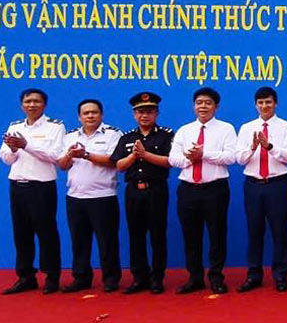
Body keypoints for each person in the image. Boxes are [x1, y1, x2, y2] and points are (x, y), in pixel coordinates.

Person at [169, 87, 238, 294]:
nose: (203, 106)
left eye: (208, 103)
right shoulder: (184, 130)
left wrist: (204, 154)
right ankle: (195, 277)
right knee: (191, 235)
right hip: (188, 189)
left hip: (215, 189)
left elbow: (231, 157)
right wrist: (190, 159)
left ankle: (216, 277)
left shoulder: (226, 129)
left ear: (216, 106)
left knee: (217, 233)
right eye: (199, 102)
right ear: (193, 106)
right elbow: (173, 159)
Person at [0, 88, 66, 295]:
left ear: (44, 105)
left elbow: (55, 156)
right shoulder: (15, 126)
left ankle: (52, 276)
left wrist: (26, 145)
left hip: (41, 186)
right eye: (28, 101)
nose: (32, 105)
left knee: (46, 232)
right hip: (17, 184)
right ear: (22, 105)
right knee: (21, 232)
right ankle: (25, 276)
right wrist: (12, 148)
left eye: (36, 101)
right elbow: (5, 158)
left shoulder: (55, 127)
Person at [57, 99, 123, 293]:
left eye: (94, 112)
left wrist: (86, 154)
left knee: (107, 240)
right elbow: (62, 165)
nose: (90, 116)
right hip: (75, 197)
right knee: (79, 241)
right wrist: (70, 155)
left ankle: (111, 278)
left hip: (103, 196)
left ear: (101, 115)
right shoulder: (70, 136)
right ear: (79, 117)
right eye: (86, 113)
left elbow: (114, 161)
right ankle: (81, 277)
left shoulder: (113, 134)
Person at [112, 91, 174, 294]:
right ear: (134, 114)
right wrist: (133, 156)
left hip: (156, 190)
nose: (144, 116)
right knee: (135, 235)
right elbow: (119, 166)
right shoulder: (127, 137)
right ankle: (139, 277)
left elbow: (169, 161)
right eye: (140, 112)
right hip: (133, 192)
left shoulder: (166, 135)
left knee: (157, 235)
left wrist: (145, 155)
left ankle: (157, 278)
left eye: (148, 111)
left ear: (156, 113)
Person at [236, 86, 287, 292]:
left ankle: (280, 275)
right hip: (253, 185)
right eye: (260, 103)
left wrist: (269, 146)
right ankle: (254, 275)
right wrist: (253, 147)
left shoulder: (286, 127)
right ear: (255, 105)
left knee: (279, 231)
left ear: (275, 103)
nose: (264, 106)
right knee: (254, 231)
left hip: (277, 185)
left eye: (268, 102)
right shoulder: (246, 128)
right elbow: (240, 159)